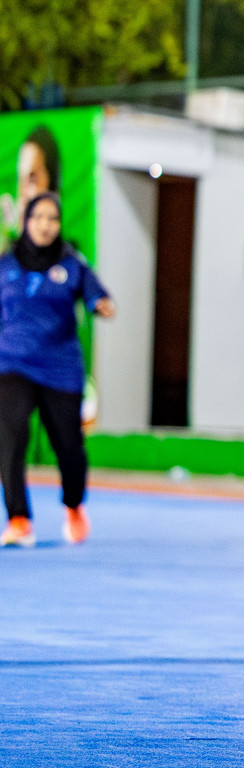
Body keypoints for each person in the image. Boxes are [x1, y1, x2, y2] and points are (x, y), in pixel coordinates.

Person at [0, 194, 114, 548]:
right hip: (12, 364)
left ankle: (74, 505)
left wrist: (101, 305)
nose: (45, 225)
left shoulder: (73, 265)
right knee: (10, 438)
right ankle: (19, 520)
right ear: (26, 221)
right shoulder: (5, 264)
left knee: (68, 448)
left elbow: (98, 297)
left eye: (52, 218)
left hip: (61, 370)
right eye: (38, 217)